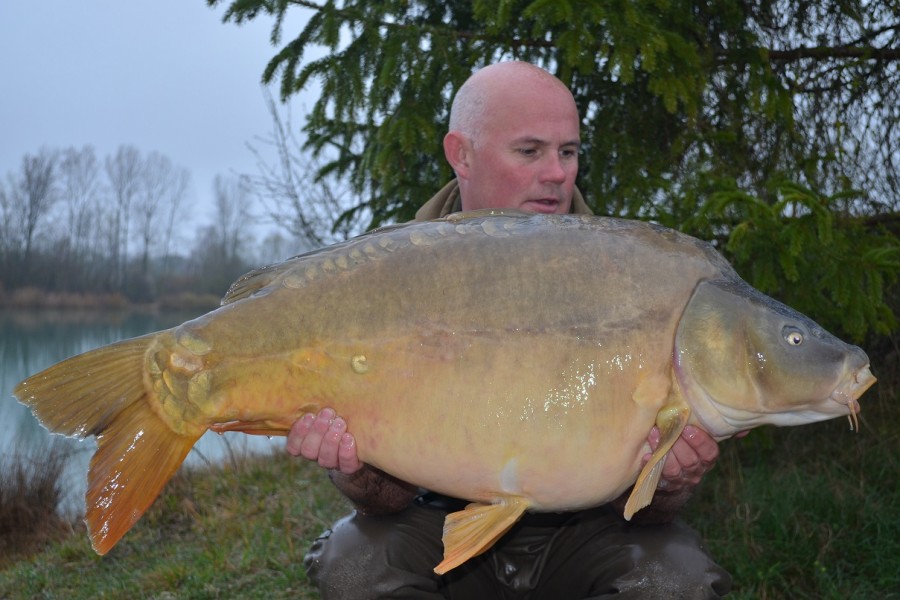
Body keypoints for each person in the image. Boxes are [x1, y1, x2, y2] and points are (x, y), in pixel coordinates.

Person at [286, 61, 733, 599]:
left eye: (568, 152)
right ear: (462, 154)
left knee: (677, 577)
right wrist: (353, 465)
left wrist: (670, 477)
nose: (557, 173)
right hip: (438, 526)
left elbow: (646, 512)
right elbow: (381, 501)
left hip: (584, 530)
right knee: (352, 561)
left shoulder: (630, 280)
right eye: (530, 151)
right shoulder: (387, 281)